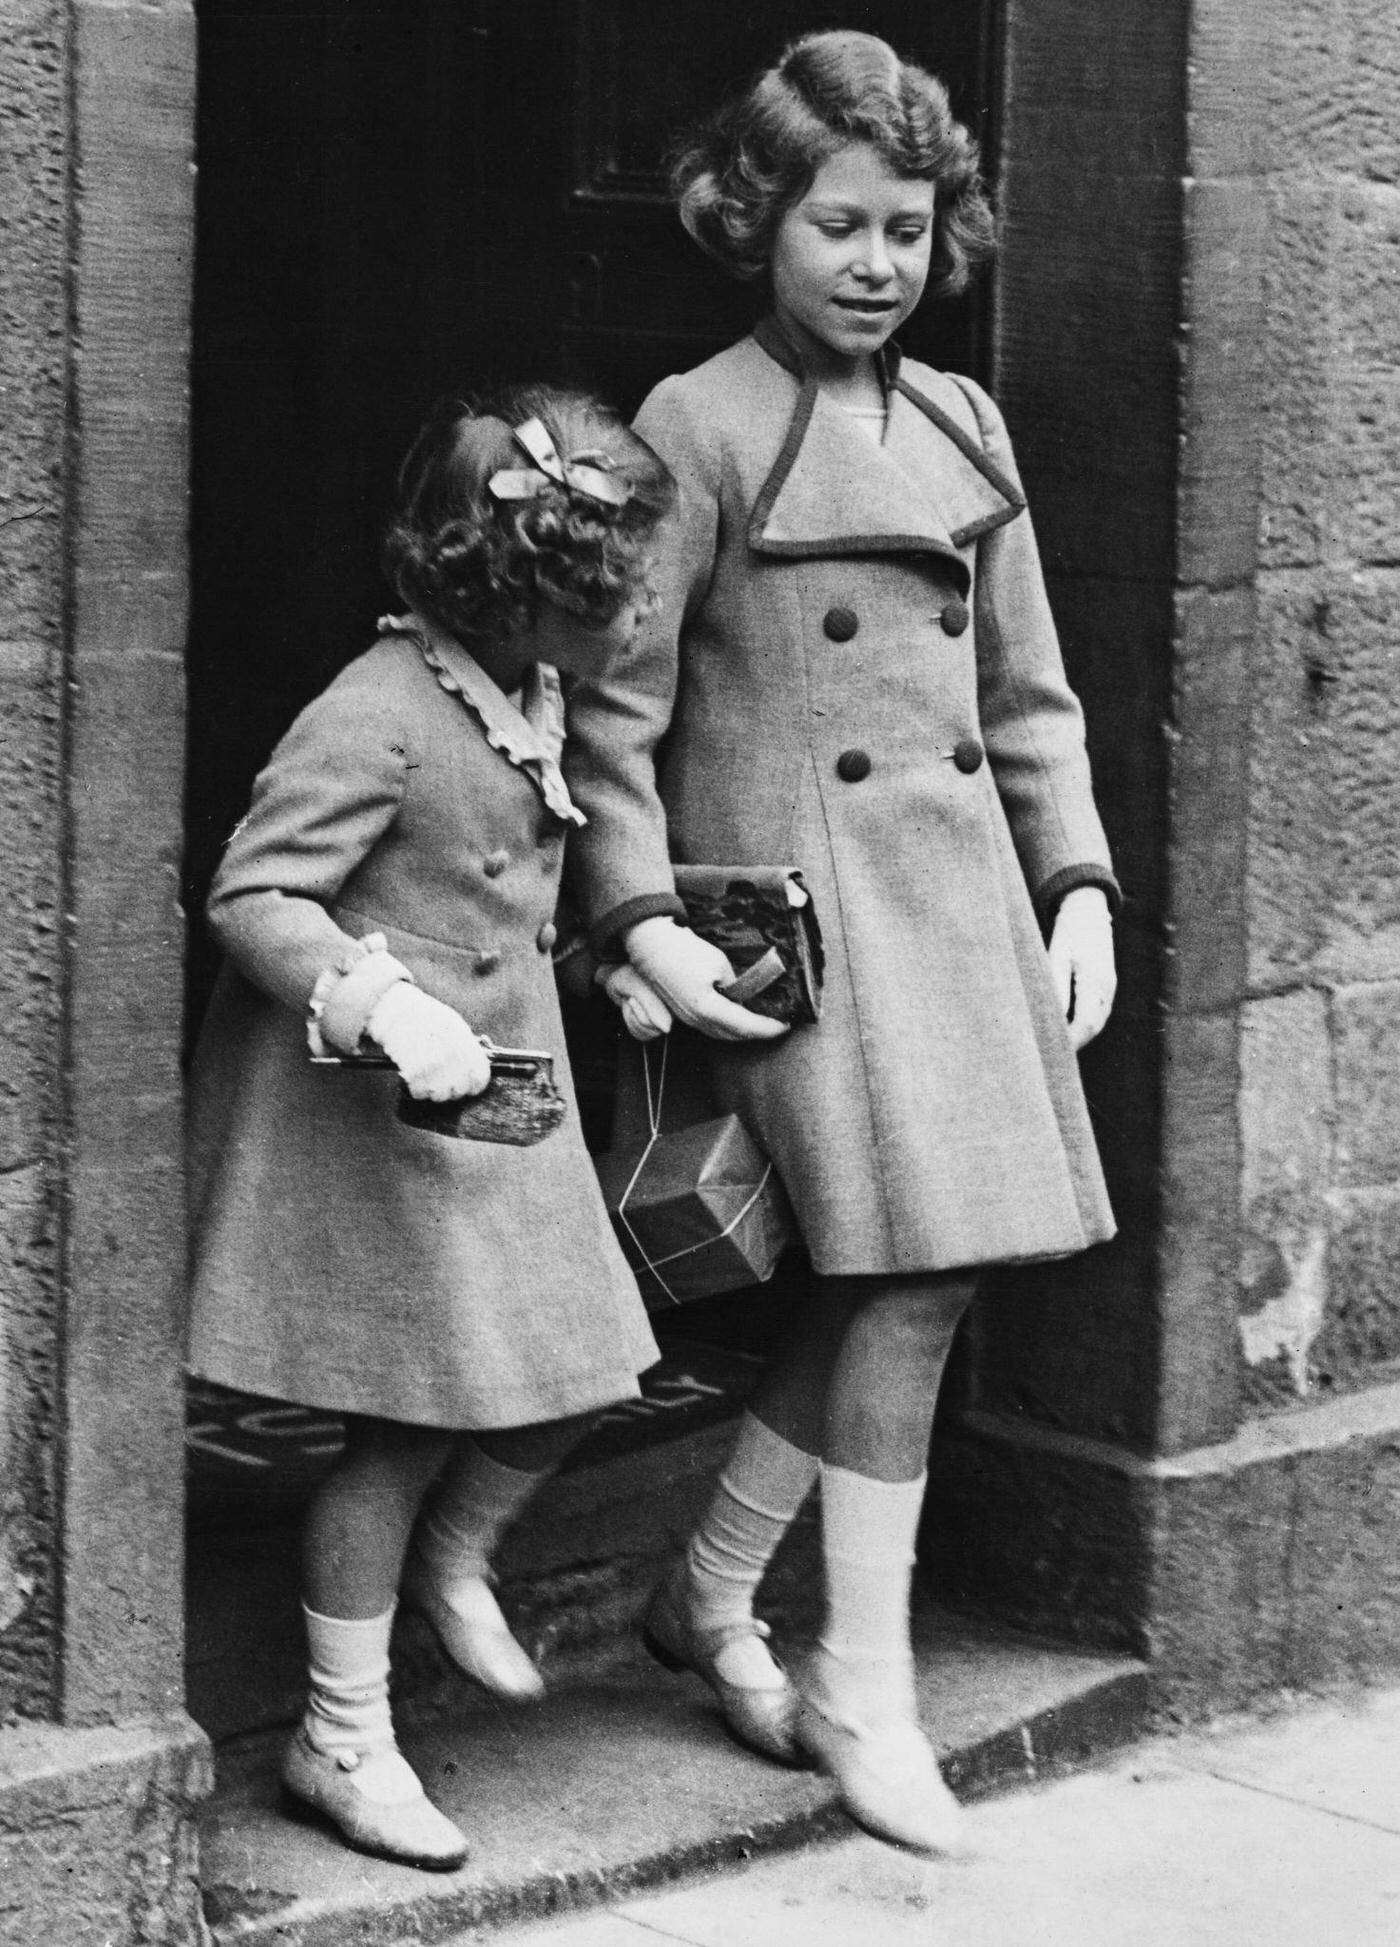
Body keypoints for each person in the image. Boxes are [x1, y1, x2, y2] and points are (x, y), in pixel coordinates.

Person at [563, 30, 1120, 1857]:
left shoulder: (969, 426)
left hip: (956, 906)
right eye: (838, 227)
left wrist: (1080, 883)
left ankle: (712, 1596)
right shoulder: (696, 420)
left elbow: (1028, 693)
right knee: (901, 1275)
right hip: (795, 929)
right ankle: (861, 1679)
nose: (876, 264)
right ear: (754, 222)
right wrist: (637, 921)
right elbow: (613, 717)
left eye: (907, 229)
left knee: (919, 1273)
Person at [186, 389, 675, 1871]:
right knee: (395, 1433)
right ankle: (345, 1735)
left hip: (506, 1109)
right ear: (528, 592)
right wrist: (373, 998)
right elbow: (254, 892)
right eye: (624, 596)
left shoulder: (530, 691)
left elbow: (503, 887)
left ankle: (460, 1557)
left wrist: (603, 969)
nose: (647, 618)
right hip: (388, 1122)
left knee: (590, 1361)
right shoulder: (383, 712)